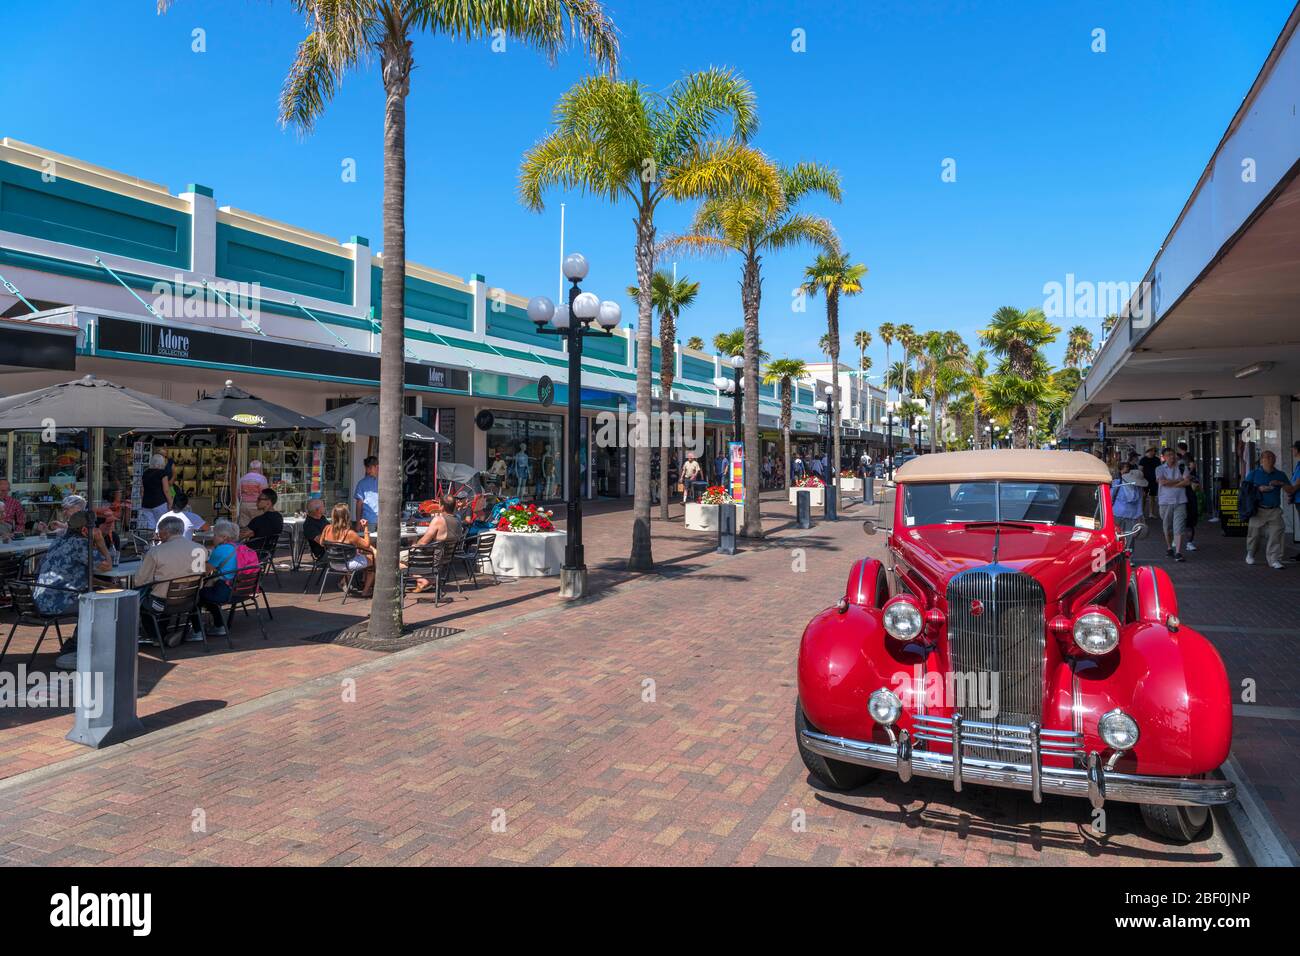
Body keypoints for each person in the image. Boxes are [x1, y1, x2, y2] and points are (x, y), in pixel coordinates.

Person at [135, 515, 207, 647]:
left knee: (141, 599)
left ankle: (158, 637)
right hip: (191, 600)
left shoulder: (156, 551)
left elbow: (140, 581)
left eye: (159, 531)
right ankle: (166, 634)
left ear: (165, 532)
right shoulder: (200, 549)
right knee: (162, 592)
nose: (158, 534)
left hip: (162, 603)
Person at [1245, 449, 1293, 569]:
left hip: (1274, 510)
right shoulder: (1254, 474)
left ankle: (1274, 559)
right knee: (1254, 535)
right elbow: (1245, 489)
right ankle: (1251, 553)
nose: (1271, 460)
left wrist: (1281, 484)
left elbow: (1290, 490)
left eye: (1273, 457)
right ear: (1262, 460)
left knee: (1277, 533)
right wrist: (1259, 489)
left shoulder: (1280, 474)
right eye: (1268, 457)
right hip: (1258, 510)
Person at [408, 495, 463, 594]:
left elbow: (423, 542)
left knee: (396, 558)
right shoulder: (458, 520)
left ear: (441, 507)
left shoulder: (439, 520)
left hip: (433, 558)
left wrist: (414, 544)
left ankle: (422, 579)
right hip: (447, 557)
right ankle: (431, 579)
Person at [322, 501, 375, 597]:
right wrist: (366, 528)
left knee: (356, 555)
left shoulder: (327, 528)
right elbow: (367, 545)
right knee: (372, 559)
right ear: (347, 516)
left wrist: (341, 548)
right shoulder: (349, 533)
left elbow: (322, 543)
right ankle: (365, 591)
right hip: (346, 564)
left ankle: (344, 581)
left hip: (333, 563)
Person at [200, 519, 242, 636]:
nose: (213, 538)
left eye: (215, 535)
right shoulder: (240, 547)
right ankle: (217, 625)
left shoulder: (221, 550)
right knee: (207, 590)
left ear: (224, 537)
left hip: (225, 590)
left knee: (196, 596)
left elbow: (205, 571)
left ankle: (201, 629)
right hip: (241, 589)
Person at [1155, 447, 1190, 562]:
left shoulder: (1182, 466)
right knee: (1167, 527)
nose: (1171, 457)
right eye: (1168, 455)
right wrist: (1179, 481)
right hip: (1165, 502)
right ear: (1164, 457)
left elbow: (1187, 481)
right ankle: (1169, 547)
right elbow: (1162, 482)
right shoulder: (1159, 469)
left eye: (1173, 454)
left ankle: (1178, 552)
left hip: (1180, 501)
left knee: (1179, 527)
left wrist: (1172, 483)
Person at [139, 454, 174, 530]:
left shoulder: (145, 473)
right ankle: (160, 538)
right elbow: (166, 490)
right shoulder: (162, 473)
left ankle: (152, 538)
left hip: (146, 504)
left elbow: (142, 490)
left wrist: (143, 501)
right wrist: (170, 502)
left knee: (151, 527)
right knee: (162, 526)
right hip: (159, 503)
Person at [1111, 463, 1146, 537]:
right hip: (1117, 515)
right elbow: (1110, 498)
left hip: (1132, 517)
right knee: (1116, 537)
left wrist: (1140, 516)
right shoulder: (1117, 483)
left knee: (1129, 539)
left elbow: (1139, 503)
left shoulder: (1138, 488)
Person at [236, 460, 269, 529]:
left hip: (244, 505)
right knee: (258, 526)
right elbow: (264, 494)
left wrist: (243, 502)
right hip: (257, 505)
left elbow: (238, 493)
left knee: (244, 527)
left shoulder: (243, 478)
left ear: (250, 468)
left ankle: (245, 536)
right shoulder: (262, 478)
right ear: (260, 468)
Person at [353, 456, 379, 527]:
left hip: (384, 521)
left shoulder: (386, 482)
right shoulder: (362, 483)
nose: (368, 471)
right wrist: (358, 522)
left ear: (377, 466)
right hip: (367, 522)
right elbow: (359, 504)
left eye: (370, 468)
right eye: (366, 468)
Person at [302, 497, 329, 562]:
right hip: (324, 554)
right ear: (318, 510)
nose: (324, 508)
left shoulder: (322, 518)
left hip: (334, 549)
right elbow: (322, 541)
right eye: (323, 506)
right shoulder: (309, 524)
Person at [1183, 459, 1201, 552]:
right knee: (1178, 522)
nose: (1192, 466)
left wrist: (1188, 480)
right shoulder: (1176, 475)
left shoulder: (1193, 476)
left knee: (1190, 523)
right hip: (1180, 501)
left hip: (1190, 500)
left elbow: (1196, 487)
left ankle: (1189, 542)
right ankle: (1175, 539)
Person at [1138, 447, 1161, 519]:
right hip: (1145, 480)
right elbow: (1140, 470)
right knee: (1144, 496)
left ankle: (1151, 513)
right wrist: (1141, 479)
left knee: (1152, 496)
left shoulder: (1157, 459)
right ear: (1148, 451)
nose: (1153, 452)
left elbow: (1159, 469)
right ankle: (1141, 513)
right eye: (1152, 451)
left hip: (1154, 480)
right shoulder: (1143, 459)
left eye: (1154, 451)